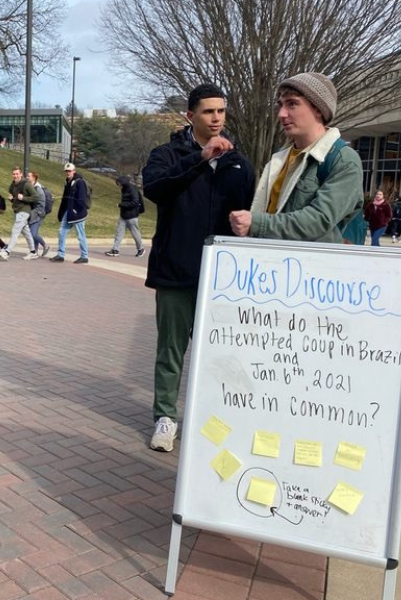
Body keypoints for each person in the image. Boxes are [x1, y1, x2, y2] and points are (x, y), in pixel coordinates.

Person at [142, 83, 255, 452]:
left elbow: (250, 213)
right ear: (191, 116)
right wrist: (200, 157)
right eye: (209, 111)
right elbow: (156, 188)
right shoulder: (167, 154)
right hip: (176, 270)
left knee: (219, 353)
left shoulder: (240, 162)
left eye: (221, 111)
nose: (217, 118)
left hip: (222, 279)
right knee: (171, 350)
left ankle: (212, 417)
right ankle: (165, 417)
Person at [229, 72, 363, 242]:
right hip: (269, 262)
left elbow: (319, 220)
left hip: (312, 265)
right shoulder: (279, 158)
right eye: (280, 105)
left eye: (292, 104)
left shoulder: (343, 159)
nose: (281, 114)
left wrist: (257, 224)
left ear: (318, 109)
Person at [49, 162, 90, 264]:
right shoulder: (67, 182)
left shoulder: (79, 182)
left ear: (74, 171)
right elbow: (65, 199)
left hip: (78, 213)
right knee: (62, 231)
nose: (68, 173)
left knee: (80, 235)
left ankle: (84, 256)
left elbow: (82, 199)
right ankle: (60, 254)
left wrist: (76, 210)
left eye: (70, 171)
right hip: (68, 212)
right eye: (66, 171)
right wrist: (62, 212)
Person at [0, 166, 40, 260]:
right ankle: (33, 252)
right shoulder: (12, 185)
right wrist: (11, 199)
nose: (15, 176)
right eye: (14, 174)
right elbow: (15, 199)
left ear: (21, 174)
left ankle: (7, 252)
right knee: (27, 232)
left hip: (24, 211)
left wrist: (23, 198)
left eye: (17, 174)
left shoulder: (26, 184)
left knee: (15, 231)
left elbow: (36, 197)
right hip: (17, 211)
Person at [104, 175, 146, 257]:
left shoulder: (132, 189)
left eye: (119, 184)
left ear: (123, 183)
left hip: (132, 216)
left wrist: (121, 204)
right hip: (123, 215)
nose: (118, 185)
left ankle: (141, 249)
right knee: (119, 233)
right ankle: (115, 250)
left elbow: (135, 202)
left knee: (135, 234)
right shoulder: (124, 189)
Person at [27, 171, 51, 257]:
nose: (27, 177)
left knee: (33, 234)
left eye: (29, 176)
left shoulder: (38, 189)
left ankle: (45, 246)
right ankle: (35, 252)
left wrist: (34, 213)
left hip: (38, 214)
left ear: (34, 178)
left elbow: (41, 205)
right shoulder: (32, 187)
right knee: (34, 233)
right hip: (33, 214)